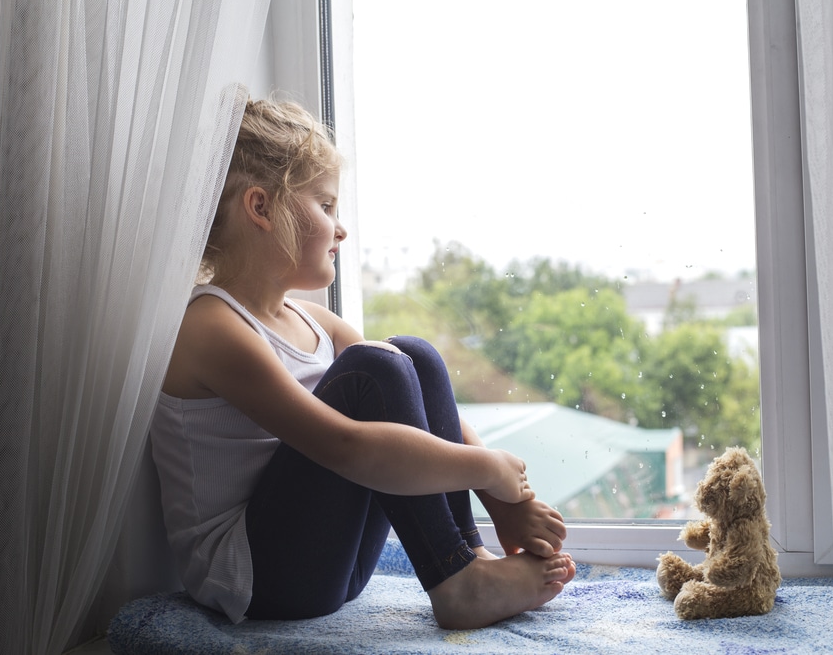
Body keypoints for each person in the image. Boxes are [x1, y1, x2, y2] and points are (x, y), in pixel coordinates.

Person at [149, 96, 575, 630]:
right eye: (325, 207)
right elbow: (342, 447)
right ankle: (456, 582)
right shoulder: (210, 328)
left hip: (331, 565)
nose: (341, 229)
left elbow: (411, 391)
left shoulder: (314, 323)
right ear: (260, 209)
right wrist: (487, 470)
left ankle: (465, 558)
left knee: (411, 354)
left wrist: (501, 500)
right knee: (376, 369)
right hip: (257, 578)